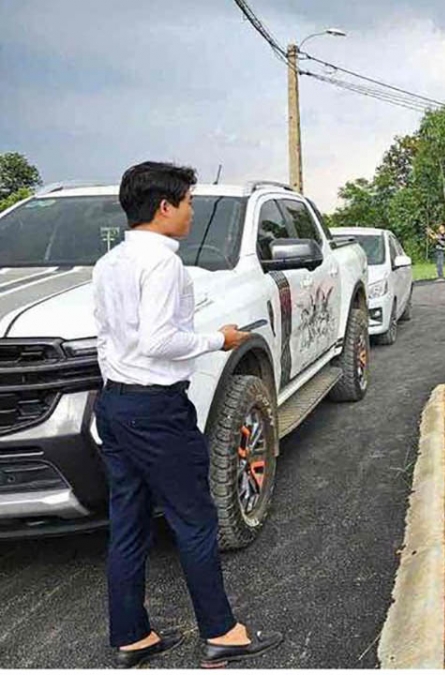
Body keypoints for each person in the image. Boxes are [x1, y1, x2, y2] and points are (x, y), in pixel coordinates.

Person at [93, 162, 283, 668]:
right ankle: (223, 633)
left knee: (128, 523)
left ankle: (132, 637)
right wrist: (216, 340)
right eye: (189, 202)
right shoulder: (163, 264)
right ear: (164, 207)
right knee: (196, 520)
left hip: (115, 404)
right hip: (156, 410)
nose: (193, 211)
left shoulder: (108, 263)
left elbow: (109, 336)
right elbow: (158, 340)